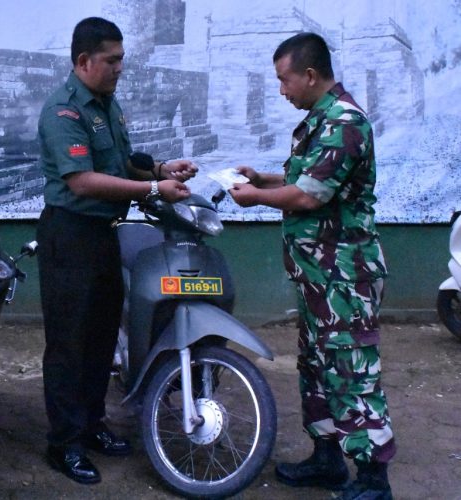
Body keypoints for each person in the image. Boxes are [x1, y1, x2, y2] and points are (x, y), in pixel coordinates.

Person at [229, 32, 395, 499]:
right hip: (318, 274)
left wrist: (258, 197)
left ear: (309, 74)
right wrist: (265, 178)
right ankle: (327, 460)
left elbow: (308, 194)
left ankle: (373, 479)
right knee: (318, 365)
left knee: (351, 368)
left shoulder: (345, 122)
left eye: (284, 81)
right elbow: (307, 175)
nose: (282, 91)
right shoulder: (320, 120)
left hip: (345, 275)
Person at [35, 16, 197, 485]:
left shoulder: (107, 105)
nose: (120, 68)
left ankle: (91, 426)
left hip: (104, 233)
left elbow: (121, 163)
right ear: (84, 61)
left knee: (102, 337)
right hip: (69, 235)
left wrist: (163, 169)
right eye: (112, 60)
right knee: (68, 344)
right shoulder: (63, 110)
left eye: (121, 59)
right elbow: (82, 181)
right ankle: (63, 444)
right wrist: (152, 192)